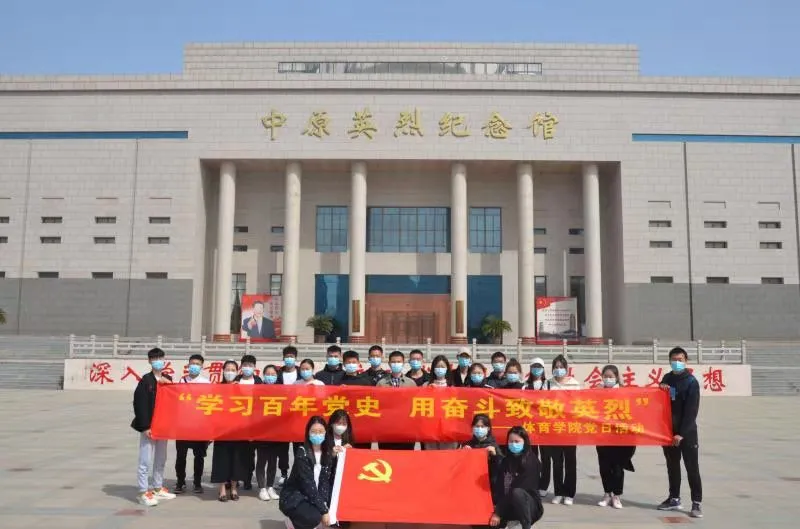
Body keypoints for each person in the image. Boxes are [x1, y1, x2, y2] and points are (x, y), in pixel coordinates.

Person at [657, 347, 703, 518]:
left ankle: (696, 502)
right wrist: (660, 387)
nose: (677, 362)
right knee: (672, 466)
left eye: (680, 359)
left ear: (686, 361)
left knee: (692, 468)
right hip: (668, 431)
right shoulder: (667, 378)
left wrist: (681, 433)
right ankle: (674, 498)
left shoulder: (691, 382)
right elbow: (660, 400)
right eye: (674, 359)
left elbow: (692, 410)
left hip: (687, 433)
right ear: (669, 361)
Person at [131, 347, 176, 507]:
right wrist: (145, 427)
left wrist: (169, 384)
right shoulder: (145, 381)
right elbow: (139, 404)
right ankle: (142, 492)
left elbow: (174, 398)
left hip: (163, 426)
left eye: (160, 359)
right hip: (150, 426)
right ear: (150, 361)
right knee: (145, 460)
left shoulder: (167, 378)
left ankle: (157, 487)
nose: (158, 362)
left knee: (161, 458)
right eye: (154, 359)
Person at [279, 416, 335, 529]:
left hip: (315, 495)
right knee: (314, 517)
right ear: (308, 433)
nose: (317, 434)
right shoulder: (302, 453)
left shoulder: (327, 453)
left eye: (320, 431)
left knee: (334, 515)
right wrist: (324, 511)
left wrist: (324, 503)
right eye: (313, 431)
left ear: (325, 433)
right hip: (298, 496)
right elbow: (308, 485)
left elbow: (324, 482)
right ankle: (292, 522)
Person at [543, 354, 581, 506]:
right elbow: (542, 403)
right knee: (557, 462)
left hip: (570, 428)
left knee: (570, 462)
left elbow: (580, 405)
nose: (558, 369)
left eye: (561, 367)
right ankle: (558, 492)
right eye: (556, 367)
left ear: (566, 368)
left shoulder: (574, 384)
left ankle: (569, 493)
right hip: (554, 428)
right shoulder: (548, 384)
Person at [596, 365, 636, 509]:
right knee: (604, 466)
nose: (608, 379)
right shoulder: (597, 392)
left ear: (617, 377)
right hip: (603, 435)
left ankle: (616, 495)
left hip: (621, 436)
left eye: (611, 376)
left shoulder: (624, 392)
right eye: (605, 376)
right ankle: (607, 494)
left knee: (618, 467)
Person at [488, 426, 544, 529]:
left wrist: (498, 512)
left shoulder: (531, 462)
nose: (513, 444)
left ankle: (526, 526)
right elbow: (500, 486)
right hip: (507, 504)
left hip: (528, 506)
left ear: (525, 442)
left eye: (517, 441)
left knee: (517, 492)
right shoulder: (507, 461)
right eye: (511, 441)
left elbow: (518, 489)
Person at [211, 360, 248, 502]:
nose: (230, 372)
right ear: (223, 371)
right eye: (227, 369)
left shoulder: (241, 388)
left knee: (237, 459)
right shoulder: (217, 388)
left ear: (237, 372)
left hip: (238, 430)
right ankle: (222, 489)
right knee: (222, 459)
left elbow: (247, 407)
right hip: (221, 430)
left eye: (233, 370)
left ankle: (233, 488)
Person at [174, 353, 210, 495]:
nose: (194, 366)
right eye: (192, 364)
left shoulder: (206, 383)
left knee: (199, 457)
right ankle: (180, 482)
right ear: (188, 365)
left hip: (199, 426)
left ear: (202, 367)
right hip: (183, 425)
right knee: (180, 456)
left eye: (197, 364)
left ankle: (197, 483)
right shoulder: (182, 381)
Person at [377, 350, 417, 450]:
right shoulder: (381, 383)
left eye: (399, 362)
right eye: (393, 362)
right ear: (389, 363)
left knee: (405, 456)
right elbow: (377, 405)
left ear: (403, 363)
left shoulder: (411, 383)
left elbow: (415, 405)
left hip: (406, 430)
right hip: (386, 430)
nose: (396, 364)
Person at [235, 354, 263, 491]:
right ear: (241, 366)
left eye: (250, 365)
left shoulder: (258, 382)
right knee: (237, 452)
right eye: (245, 365)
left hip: (253, 422)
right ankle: (235, 478)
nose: (247, 368)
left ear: (254, 367)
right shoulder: (236, 380)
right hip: (237, 421)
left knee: (250, 453)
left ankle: (247, 478)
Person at [256, 364, 283, 501]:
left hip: (276, 431)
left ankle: (270, 487)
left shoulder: (281, 390)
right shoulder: (258, 390)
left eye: (273, 374)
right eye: (268, 374)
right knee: (262, 460)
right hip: (261, 431)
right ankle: (262, 488)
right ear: (263, 375)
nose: (270, 376)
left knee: (273, 461)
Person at [524, 357, 548, 498]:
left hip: (545, 426)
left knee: (545, 457)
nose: (536, 369)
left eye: (539, 366)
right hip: (530, 426)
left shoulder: (548, 385)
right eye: (534, 366)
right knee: (532, 457)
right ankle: (533, 483)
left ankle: (543, 485)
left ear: (543, 369)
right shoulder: (525, 385)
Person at [424, 355, 458, 450]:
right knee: (432, 455)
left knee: (447, 455)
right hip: (431, 428)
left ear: (447, 369)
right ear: (433, 368)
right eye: (437, 366)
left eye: (442, 367)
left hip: (448, 428)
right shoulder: (426, 385)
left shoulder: (452, 387)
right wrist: (427, 392)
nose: (440, 369)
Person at [276, 346, 299, 488]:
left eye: (291, 356)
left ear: (296, 358)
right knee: (282, 449)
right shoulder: (278, 374)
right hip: (282, 416)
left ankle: (296, 475)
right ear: (283, 358)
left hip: (298, 416)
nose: (289, 359)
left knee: (298, 448)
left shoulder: (302, 373)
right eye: (287, 356)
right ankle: (284, 474)